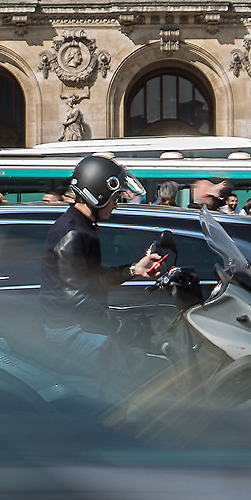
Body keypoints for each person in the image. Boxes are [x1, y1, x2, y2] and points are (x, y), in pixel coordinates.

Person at [39, 153, 166, 361]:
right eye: (114, 198)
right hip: (70, 330)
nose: (116, 205)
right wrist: (120, 326)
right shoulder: (73, 233)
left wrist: (134, 269)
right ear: (98, 195)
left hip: (78, 324)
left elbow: (93, 278)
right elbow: (77, 299)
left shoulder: (81, 226)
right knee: (142, 366)